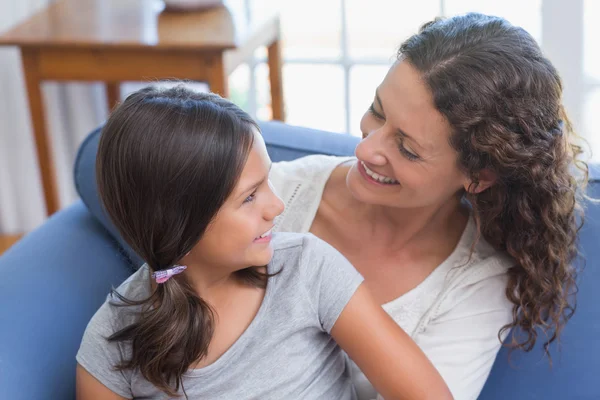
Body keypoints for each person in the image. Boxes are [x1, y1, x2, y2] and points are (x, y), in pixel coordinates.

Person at [270, 13, 587, 400]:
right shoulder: (271, 192)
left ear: (478, 175)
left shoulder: (473, 286)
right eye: (378, 110)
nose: (365, 149)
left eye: (406, 148)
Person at [75, 85, 453, 400]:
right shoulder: (111, 340)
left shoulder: (308, 269)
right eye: (250, 196)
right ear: (179, 221)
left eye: (267, 182)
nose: (277, 206)